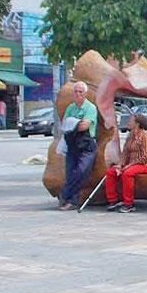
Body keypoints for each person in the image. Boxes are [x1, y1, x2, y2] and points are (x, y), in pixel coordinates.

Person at [59, 81, 99, 211]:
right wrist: (76, 124)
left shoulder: (90, 108)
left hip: (86, 144)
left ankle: (65, 194)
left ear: (85, 94)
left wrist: (74, 123)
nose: (78, 94)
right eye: (75, 92)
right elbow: (65, 124)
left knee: (81, 171)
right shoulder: (71, 108)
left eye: (80, 92)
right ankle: (72, 201)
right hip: (72, 144)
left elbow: (84, 126)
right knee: (70, 172)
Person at [105, 113, 147, 213]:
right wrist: (121, 165)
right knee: (111, 172)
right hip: (131, 164)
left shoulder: (145, 136)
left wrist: (129, 166)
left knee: (127, 173)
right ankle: (113, 200)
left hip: (145, 165)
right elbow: (125, 152)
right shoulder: (130, 135)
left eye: (131, 121)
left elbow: (144, 157)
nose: (128, 122)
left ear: (137, 123)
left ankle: (128, 203)